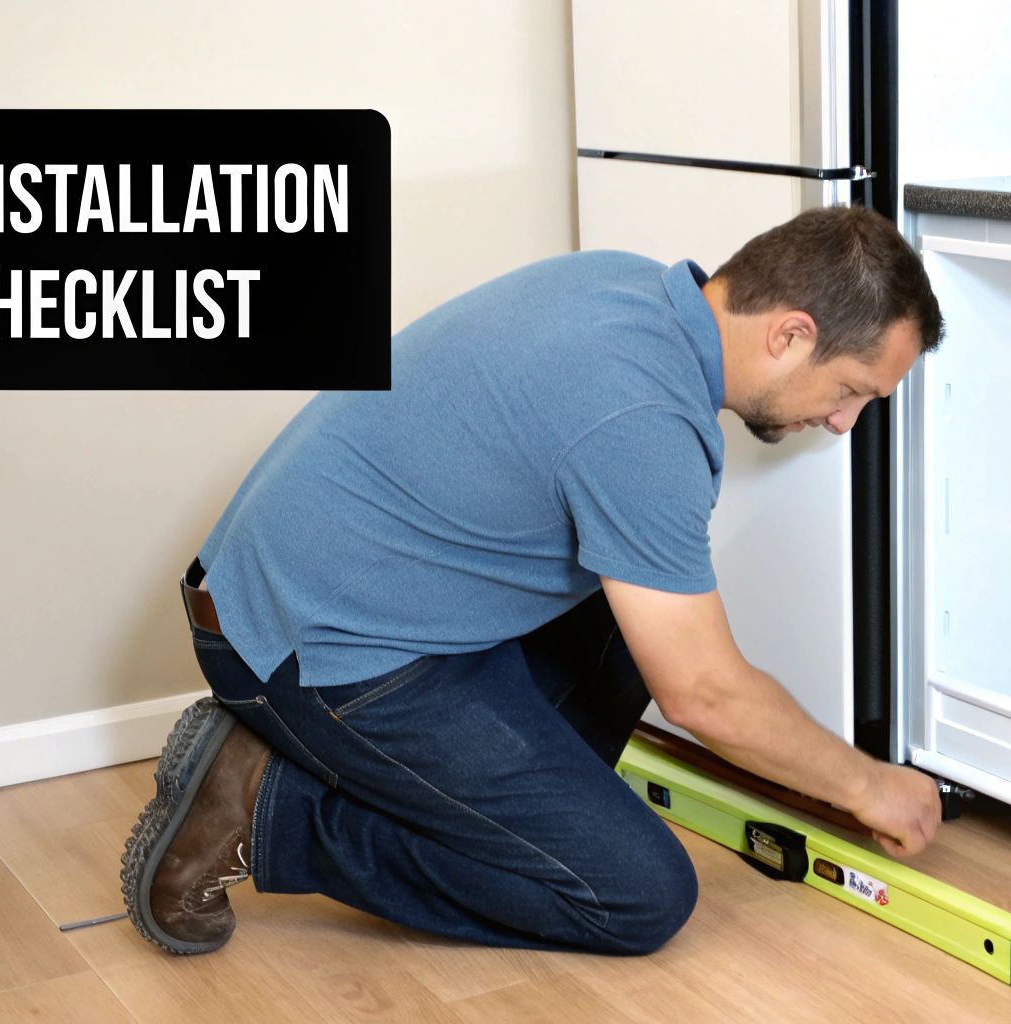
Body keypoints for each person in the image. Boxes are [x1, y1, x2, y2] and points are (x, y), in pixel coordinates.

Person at [120, 205, 946, 957]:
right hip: (306, 649)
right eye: (850, 392)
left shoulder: (622, 282)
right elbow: (705, 696)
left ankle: (465, 808)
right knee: (634, 894)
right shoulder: (643, 424)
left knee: (645, 628)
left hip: (309, 593)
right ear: (790, 333)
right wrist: (868, 787)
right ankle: (269, 807)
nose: (842, 424)